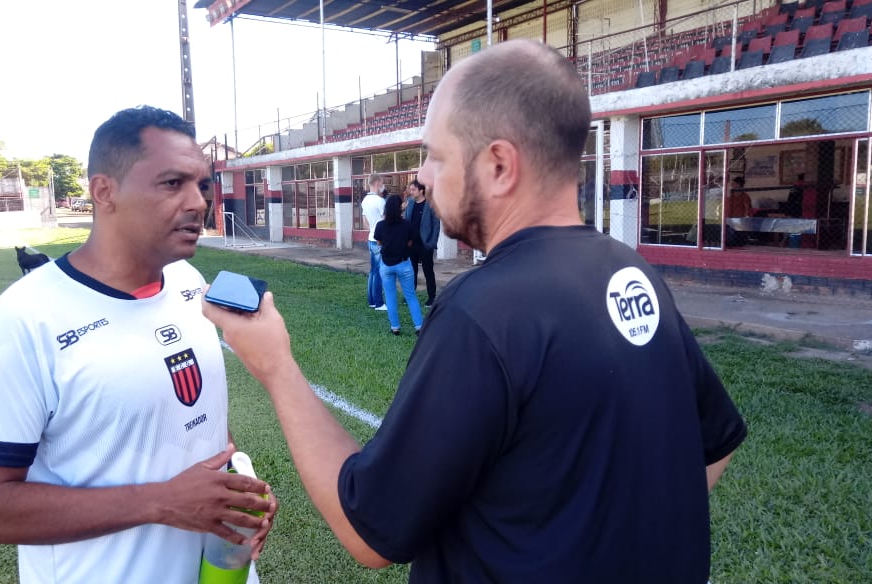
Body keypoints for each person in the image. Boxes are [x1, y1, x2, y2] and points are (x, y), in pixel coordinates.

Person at [203, 40, 746, 583]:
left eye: (436, 156)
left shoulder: (485, 311)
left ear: (499, 165)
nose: (426, 177)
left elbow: (370, 529)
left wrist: (276, 366)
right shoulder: (632, 272)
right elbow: (714, 444)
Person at [0, 106, 276, 583]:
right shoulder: (23, 319)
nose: (198, 201)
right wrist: (161, 502)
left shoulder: (189, 283)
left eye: (202, 184)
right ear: (104, 192)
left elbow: (195, 427)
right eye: (172, 183)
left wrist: (238, 494)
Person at [374, 194, 425, 335]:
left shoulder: (380, 225)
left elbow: (379, 242)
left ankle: (395, 327)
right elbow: (410, 242)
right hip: (404, 264)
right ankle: (419, 326)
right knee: (410, 296)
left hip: (386, 264)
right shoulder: (407, 225)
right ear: (400, 208)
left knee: (390, 297)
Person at [404, 179, 440, 306]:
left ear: (421, 190)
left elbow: (436, 225)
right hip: (411, 244)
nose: (411, 192)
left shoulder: (430, 204)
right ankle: (410, 295)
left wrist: (432, 243)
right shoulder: (410, 203)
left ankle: (432, 297)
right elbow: (406, 222)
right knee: (411, 271)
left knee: (428, 270)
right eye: (410, 189)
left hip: (425, 244)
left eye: (413, 189)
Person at [360, 174, 386, 311]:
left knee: (373, 271)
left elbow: (365, 224)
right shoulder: (380, 201)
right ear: (377, 183)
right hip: (380, 241)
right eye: (382, 182)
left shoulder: (365, 200)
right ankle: (379, 303)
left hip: (371, 238)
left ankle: (372, 300)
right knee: (379, 272)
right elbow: (387, 221)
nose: (383, 185)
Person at [725, 176, 752, 247]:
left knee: (739, 238)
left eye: (734, 183)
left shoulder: (745, 196)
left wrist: (745, 219)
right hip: (730, 219)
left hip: (740, 220)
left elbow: (747, 209)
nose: (732, 185)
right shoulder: (730, 195)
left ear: (738, 184)